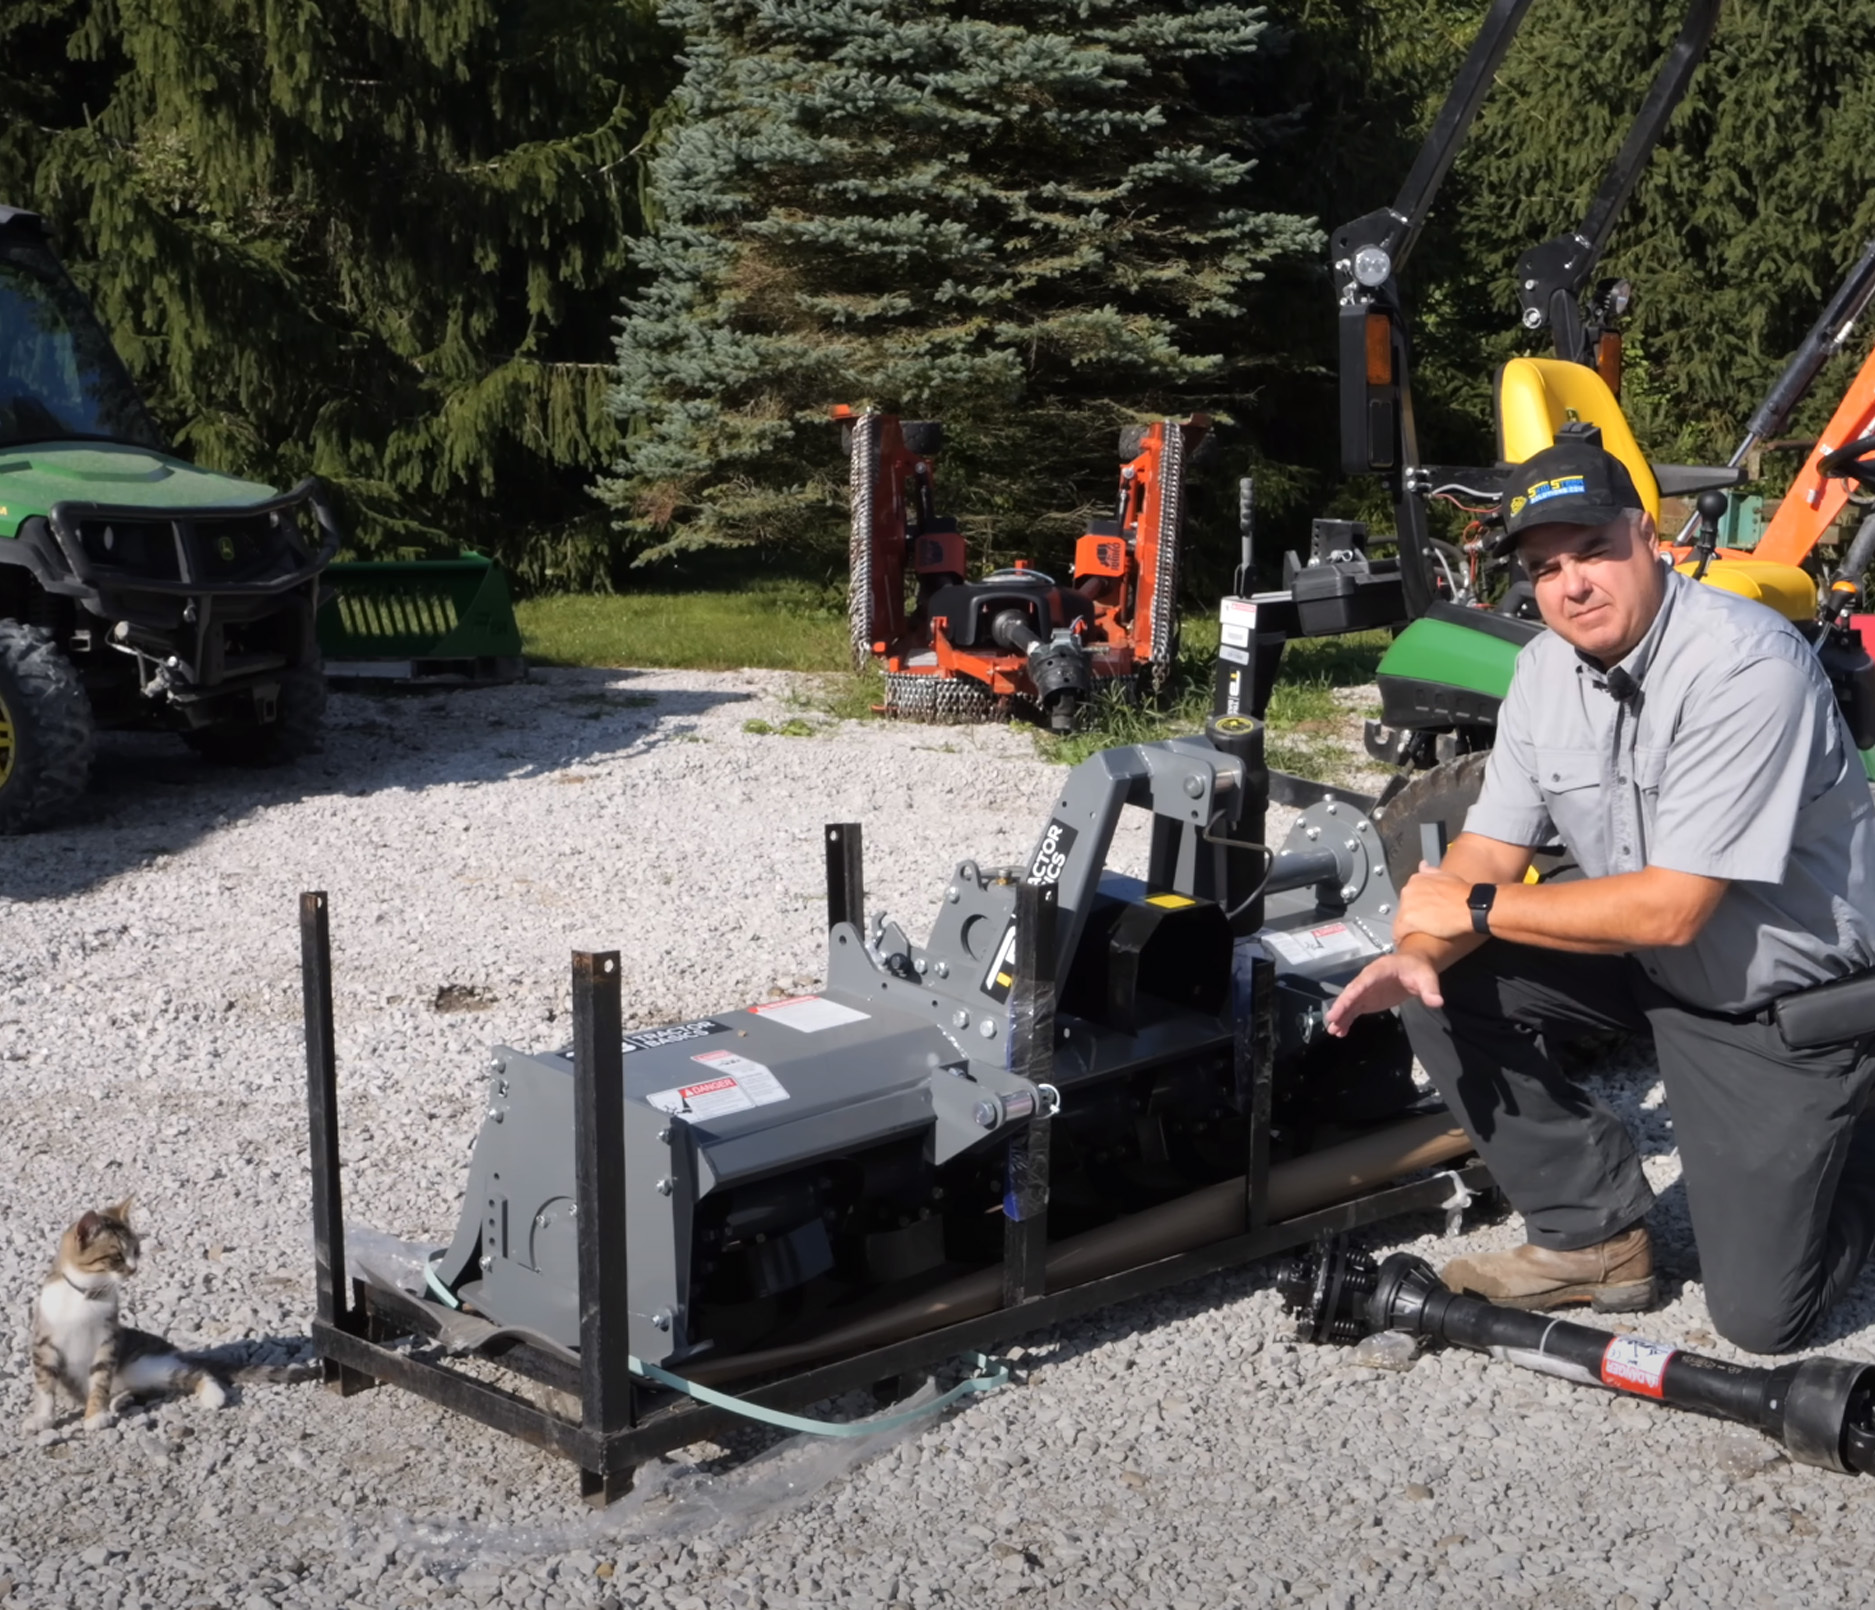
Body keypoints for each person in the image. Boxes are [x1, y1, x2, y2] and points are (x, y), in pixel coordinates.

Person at [1324, 430, 1875, 1354]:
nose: (1571, 583)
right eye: (1545, 567)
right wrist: (1414, 954)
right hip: (1651, 964)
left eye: (1592, 552)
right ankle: (1591, 1238)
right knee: (1436, 981)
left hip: (1776, 1001)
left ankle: (1855, 1144)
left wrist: (1466, 912)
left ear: (1646, 537)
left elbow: (1671, 908)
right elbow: (1491, 852)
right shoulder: (1544, 672)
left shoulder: (1744, 668)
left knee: (1760, 1321)